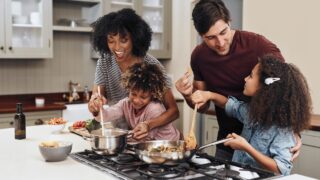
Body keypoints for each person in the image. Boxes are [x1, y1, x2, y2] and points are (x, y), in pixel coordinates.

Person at [175, 0, 301, 161]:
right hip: (228, 141)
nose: (220, 43)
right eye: (211, 38)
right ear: (201, 35)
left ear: (229, 22)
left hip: (266, 145)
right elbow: (203, 105)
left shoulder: (259, 46)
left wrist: (293, 131)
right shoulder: (199, 57)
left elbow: (287, 87)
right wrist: (188, 95)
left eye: (223, 32)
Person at [191, 56, 312, 175]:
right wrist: (209, 95)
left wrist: (246, 147)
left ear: (264, 87)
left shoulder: (283, 129)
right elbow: (230, 105)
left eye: (250, 76)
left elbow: (281, 168)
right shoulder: (252, 112)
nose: (245, 79)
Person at [88, 8, 179, 140]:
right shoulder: (104, 61)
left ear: (135, 39)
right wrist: (95, 104)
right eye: (111, 41)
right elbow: (97, 99)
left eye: (123, 40)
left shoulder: (152, 65)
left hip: (151, 139)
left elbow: (174, 111)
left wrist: (148, 124)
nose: (117, 47)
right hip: (122, 136)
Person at [94, 62, 180, 141]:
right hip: (149, 147)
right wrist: (97, 110)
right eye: (133, 94)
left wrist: (119, 139)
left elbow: (145, 138)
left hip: (170, 143)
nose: (136, 100)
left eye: (143, 97)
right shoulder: (126, 104)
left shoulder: (154, 109)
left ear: (152, 95)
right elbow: (106, 116)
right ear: (129, 89)